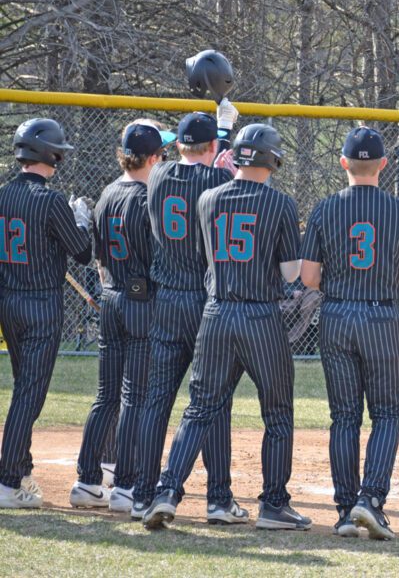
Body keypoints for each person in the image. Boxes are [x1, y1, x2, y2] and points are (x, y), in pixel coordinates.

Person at [142, 123, 311, 532]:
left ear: (235, 155)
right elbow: (291, 273)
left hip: (216, 314)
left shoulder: (209, 198)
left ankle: (166, 493)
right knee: (277, 412)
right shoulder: (280, 204)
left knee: (199, 408)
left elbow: (206, 257)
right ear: (273, 159)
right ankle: (274, 504)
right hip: (259, 316)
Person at [300, 127, 399, 540]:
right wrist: (388, 284)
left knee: (343, 417)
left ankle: (344, 511)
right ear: (383, 165)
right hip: (381, 319)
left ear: (343, 163)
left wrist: (342, 288)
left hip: (337, 317)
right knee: (388, 414)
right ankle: (371, 500)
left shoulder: (325, 209)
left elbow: (308, 277)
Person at [131, 101, 248, 524]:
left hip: (166, 300)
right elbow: (227, 172)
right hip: (203, 298)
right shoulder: (217, 177)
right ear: (212, 145)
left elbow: (200, 161)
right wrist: (226, 131)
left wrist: (217, 132)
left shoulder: (158, 174)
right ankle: (218, 499)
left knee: (156, 400)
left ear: (178, 144)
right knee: (212, 402)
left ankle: (143, 494)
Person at [70, 120, 176, 510]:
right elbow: (158, 259)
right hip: (140, 301)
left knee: (105, 396)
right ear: (152, 157)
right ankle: (127, 483)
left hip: (112, 296)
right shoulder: (150, 197)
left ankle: (87, 478)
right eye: (161, 153)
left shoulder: (107, 193)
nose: (164, 158)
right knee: (135, 396)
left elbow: (97, 257)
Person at [0, 118, 91, 508]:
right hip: (41, 305)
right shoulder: (52, 201)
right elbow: (83, 253)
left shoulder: (2, 194)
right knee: (29, 394)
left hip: (8, 300)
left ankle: (20, 469)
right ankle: (8, 481)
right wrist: (81, 219)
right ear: (48, 153)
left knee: (25, 388)